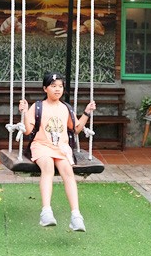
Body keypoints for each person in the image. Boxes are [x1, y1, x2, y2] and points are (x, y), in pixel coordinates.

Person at [17, 72, 96, 232]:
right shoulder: (38, 106)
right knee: (48, 167)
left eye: (60, 86)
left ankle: (76, 215)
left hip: (61, 148)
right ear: (45, 88)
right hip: (41, 146)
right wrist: (24, 113)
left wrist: (86, 113)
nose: (57, 89)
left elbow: (76, 129)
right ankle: (46, 211)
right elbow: (28, 131)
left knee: (68, 172)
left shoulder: (66, 108)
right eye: (53, 86)